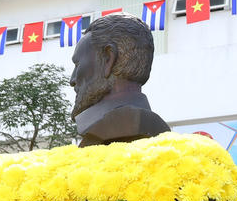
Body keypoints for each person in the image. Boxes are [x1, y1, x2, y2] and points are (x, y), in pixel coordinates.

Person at [69, 13, 170, 148]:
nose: (72, 80)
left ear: (108, 59)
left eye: (78, 65)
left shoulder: (115, 128)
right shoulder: (153, 131)